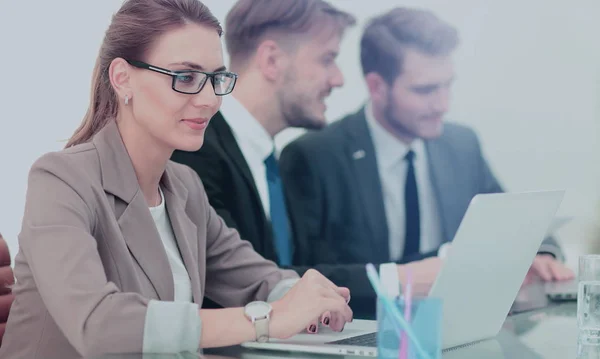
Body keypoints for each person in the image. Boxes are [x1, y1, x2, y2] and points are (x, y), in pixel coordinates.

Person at [0, 1, 353, 358]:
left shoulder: (185, 186)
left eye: (216, 78)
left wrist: (307, 295)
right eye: (185, 77)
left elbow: (255, 278)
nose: (209, 99)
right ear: (122, 78)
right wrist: (266, 319)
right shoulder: (60, 180)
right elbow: (99, 324)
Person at [279, 7, 574, 316]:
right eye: (425, 90)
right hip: (364, 327)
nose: (443, 104)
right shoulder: (314, 156)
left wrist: (539, 253)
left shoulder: (461, 145)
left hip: (452, 325)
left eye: (448, 85)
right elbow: (297, 276)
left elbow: (513, 220)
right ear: (377, 87)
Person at [171, 0, 355, 268]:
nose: (338, 79)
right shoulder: (195, 153)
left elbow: (298, 271)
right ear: (271, 61)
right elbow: (240, 281)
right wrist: (394, 279)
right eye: (327, 59)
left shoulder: (280, 164)